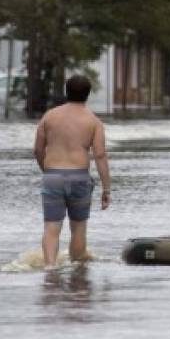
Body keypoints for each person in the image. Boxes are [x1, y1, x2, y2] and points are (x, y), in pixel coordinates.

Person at [33, 75, 111, 268]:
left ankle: (50, 267)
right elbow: (100, 156)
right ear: (88, 94)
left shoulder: (49, 116)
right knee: (78, 229)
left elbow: (37, 149)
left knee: (51, 228)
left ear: (66, 91)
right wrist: (106, 189)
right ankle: (77, 270)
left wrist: (47, 170)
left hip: (52, 176)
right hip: (79, 178)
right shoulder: (93, 121)